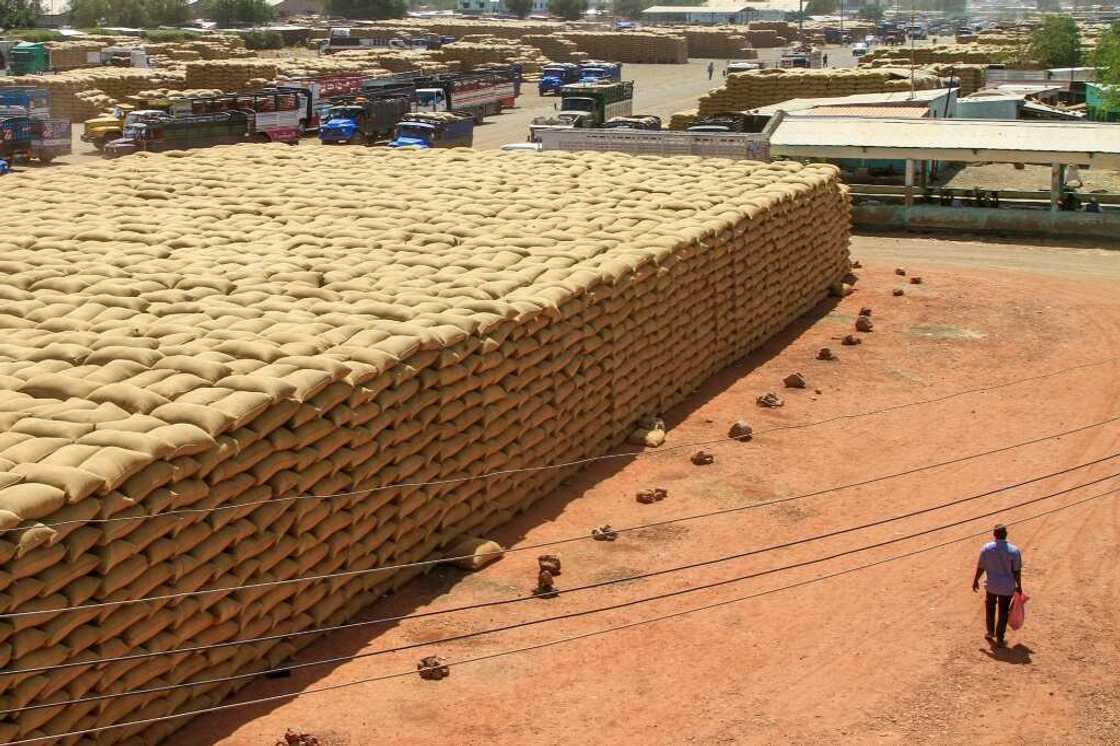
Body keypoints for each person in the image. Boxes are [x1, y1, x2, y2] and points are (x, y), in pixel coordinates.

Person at [972, 524, 1023, 648]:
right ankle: (1000, 637)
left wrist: (975, 580)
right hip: (1007, 587)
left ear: (994, 535)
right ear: (1006, 534)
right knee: (1003, 611)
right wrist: (1019, 586)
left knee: (990, 607)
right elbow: (1016, 571)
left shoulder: (986, 548)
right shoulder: (1014, 550)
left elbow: (981, 567)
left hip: (991, 586)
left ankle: (990, 632)